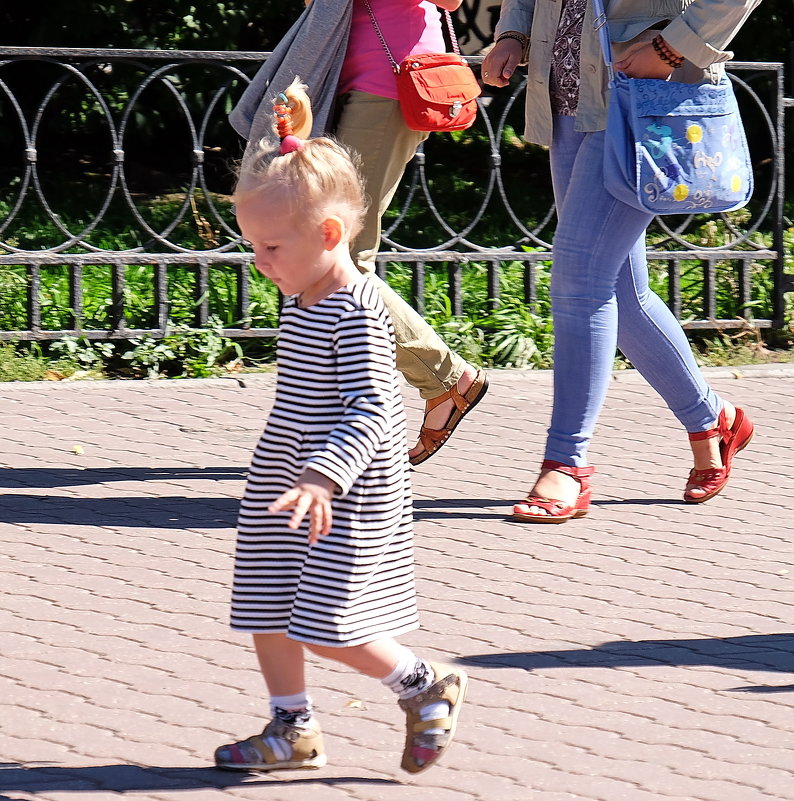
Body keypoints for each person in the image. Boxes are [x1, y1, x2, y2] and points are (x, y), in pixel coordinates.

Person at [214, 81, 467, 774]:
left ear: (329, 235)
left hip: (344, 488)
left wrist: (324, 474)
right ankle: (291, 728)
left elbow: (371, 407)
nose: (259, 264)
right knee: (265, 599)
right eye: (254, 248)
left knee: (328, 623)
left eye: (270, 248)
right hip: (290, 480)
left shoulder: (355, 310)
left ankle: (425, 682)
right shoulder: (306, 295)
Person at [482, 0, 759, 522]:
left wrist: (673, 45)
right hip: (567, 94)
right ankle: (713, 421)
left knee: (580, 277)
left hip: (643, 87)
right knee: (622, 296)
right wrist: (513, 32)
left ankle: (567, 464)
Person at [230, 0, 489, 467]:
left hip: (390, 84)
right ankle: (362, 411)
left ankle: (439, 383)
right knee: (329, 256)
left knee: (341, 258)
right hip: (345, 79)